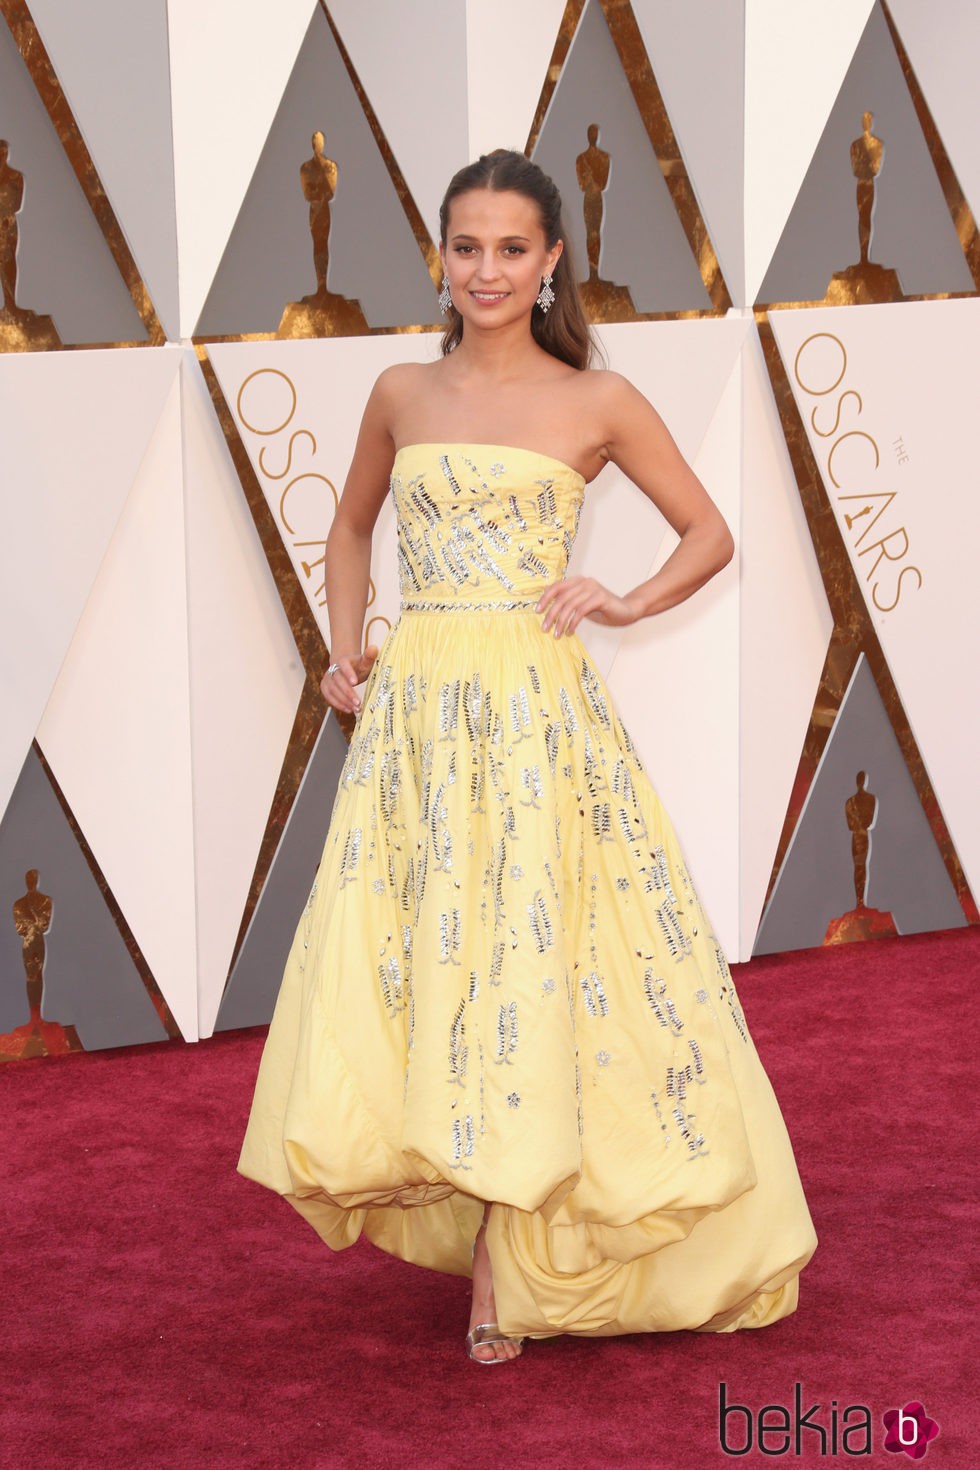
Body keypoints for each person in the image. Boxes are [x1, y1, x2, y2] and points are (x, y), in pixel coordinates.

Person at [239, 149, 817, 1364]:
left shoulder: (593, 401)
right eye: (466, 247)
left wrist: (623, 600)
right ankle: (479, 1210)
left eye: (512, 248)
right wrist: (342, 652)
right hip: (417, 716)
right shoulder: (400, 390)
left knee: (530, 956)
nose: (486, 270)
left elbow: (707, 531)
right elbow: (349, 525)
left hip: (536, 715)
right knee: (438, 954)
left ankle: (506, 1267)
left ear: (552, 260)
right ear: (438, 259)